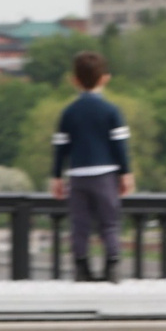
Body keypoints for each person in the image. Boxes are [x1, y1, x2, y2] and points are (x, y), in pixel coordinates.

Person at [50, 51, 134, 282]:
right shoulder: (111, 110)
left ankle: (81, 267)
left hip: (77, 174)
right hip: (106, 173)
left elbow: (60, 147)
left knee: (80, 224)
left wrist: (56, 176)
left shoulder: (69, 112)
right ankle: (112, 265)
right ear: (105, 78)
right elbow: (119, 145)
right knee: (109, 221)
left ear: (74, 80)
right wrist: (126, 173)